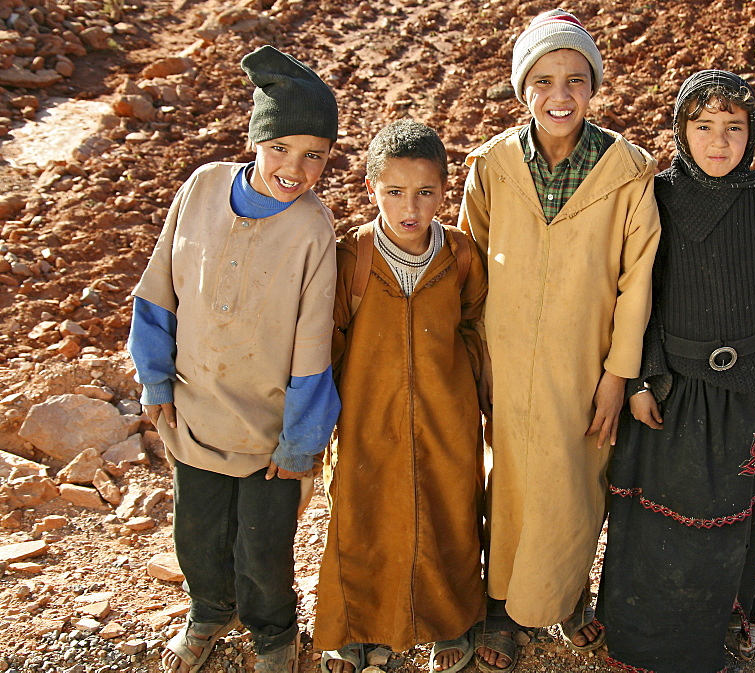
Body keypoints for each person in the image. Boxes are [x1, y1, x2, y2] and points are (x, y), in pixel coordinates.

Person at [127, 45, 341, 673]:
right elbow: (158, 289)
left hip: (270, 430)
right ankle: (209, 613)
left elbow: (310, 347)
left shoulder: (311, 230)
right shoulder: (202, 187)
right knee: (196, 535)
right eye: (281, 148)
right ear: (256, 140)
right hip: (194, 411)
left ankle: (276, 635)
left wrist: (300, 441)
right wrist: (155, 379)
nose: (295, 168)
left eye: (315, 156)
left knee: (264, 548)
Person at [458, 8, 660, 671]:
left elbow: (637, 282)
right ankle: (498, 609)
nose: (561, 95)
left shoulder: (627, 169)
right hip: (504, 361)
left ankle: (565, 597)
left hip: (584, 366)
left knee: (574, 483)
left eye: (576, 79)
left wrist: (617, 372)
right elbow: (470, 264)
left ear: (594, 86)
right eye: (543, 80)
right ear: (524, 89)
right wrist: (475, 358)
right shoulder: (491, 166)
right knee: (505, 483)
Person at [595, 70, 755, 673]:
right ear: (681, 130)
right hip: (667, 385)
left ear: (753, 133)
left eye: (733, 128)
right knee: (648, 514)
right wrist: (640, 380)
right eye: (703, 127)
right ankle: (641, 635)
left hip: (741, 385)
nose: (718, 143)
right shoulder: (659, 193)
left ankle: (726, 621)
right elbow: (641, 291)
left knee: (727, 514)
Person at [314, 119, 488, 673]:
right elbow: (326, 346)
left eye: (425, 193)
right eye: (393, 192)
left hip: (447, 416)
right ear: (371, 190)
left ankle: (450, 622)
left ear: (445, 191)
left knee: (452, 516)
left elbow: (478, 330)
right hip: (368, 418)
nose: (410, 207)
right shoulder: (352, 259)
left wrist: (484, 406)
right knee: (361, 518)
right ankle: (357, 628)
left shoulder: (460, 256)